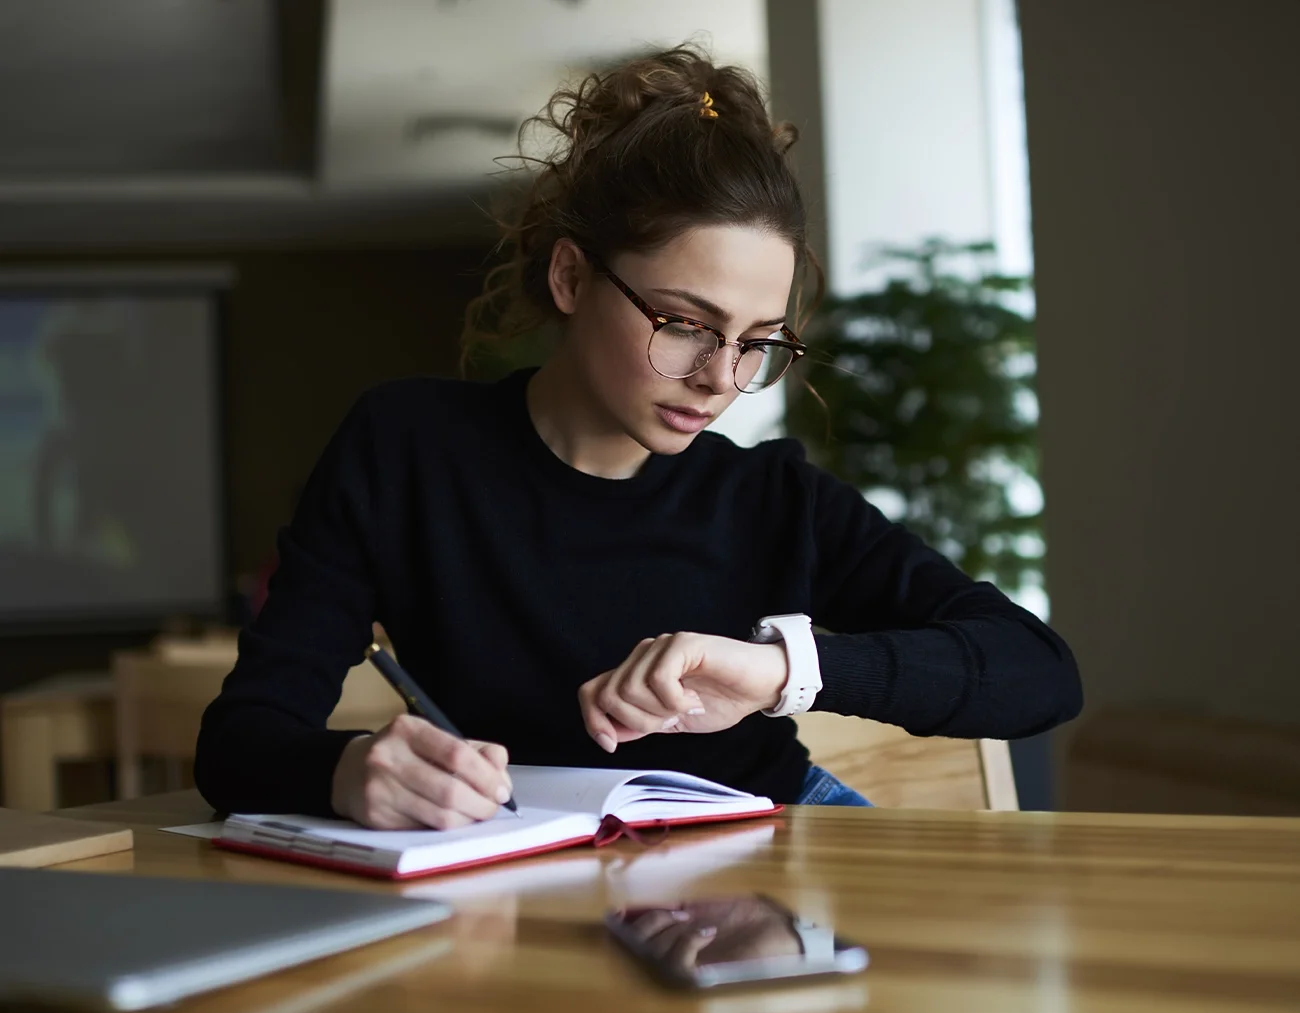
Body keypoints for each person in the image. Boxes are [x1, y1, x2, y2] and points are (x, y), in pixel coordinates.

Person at [194, 46, 1081, 829]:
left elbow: (1038, 672)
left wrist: (779, 672)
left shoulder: (770, 497)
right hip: (523, 859)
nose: (721, 379)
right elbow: (241, 743)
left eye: (758, 342)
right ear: (573, 277)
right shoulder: (407, 449)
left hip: (770, 844)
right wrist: (348, 770)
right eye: (686, 324)